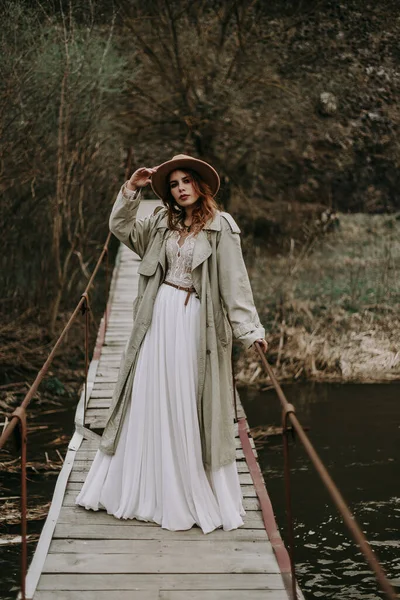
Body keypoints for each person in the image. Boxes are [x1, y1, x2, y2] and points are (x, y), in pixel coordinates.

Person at [75, 154, 268, 534]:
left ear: (200, 184)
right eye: (174, 184)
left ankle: (187, 488)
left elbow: (235, 283)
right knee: (149, 395)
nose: (180, 189)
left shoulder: (220, 227)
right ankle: (149, 487)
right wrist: (131, 188)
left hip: (194, 322)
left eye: (186, 181)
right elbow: (120, 227)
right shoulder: (161, 224)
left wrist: (250, 331)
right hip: (158, 316)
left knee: (186, 398)